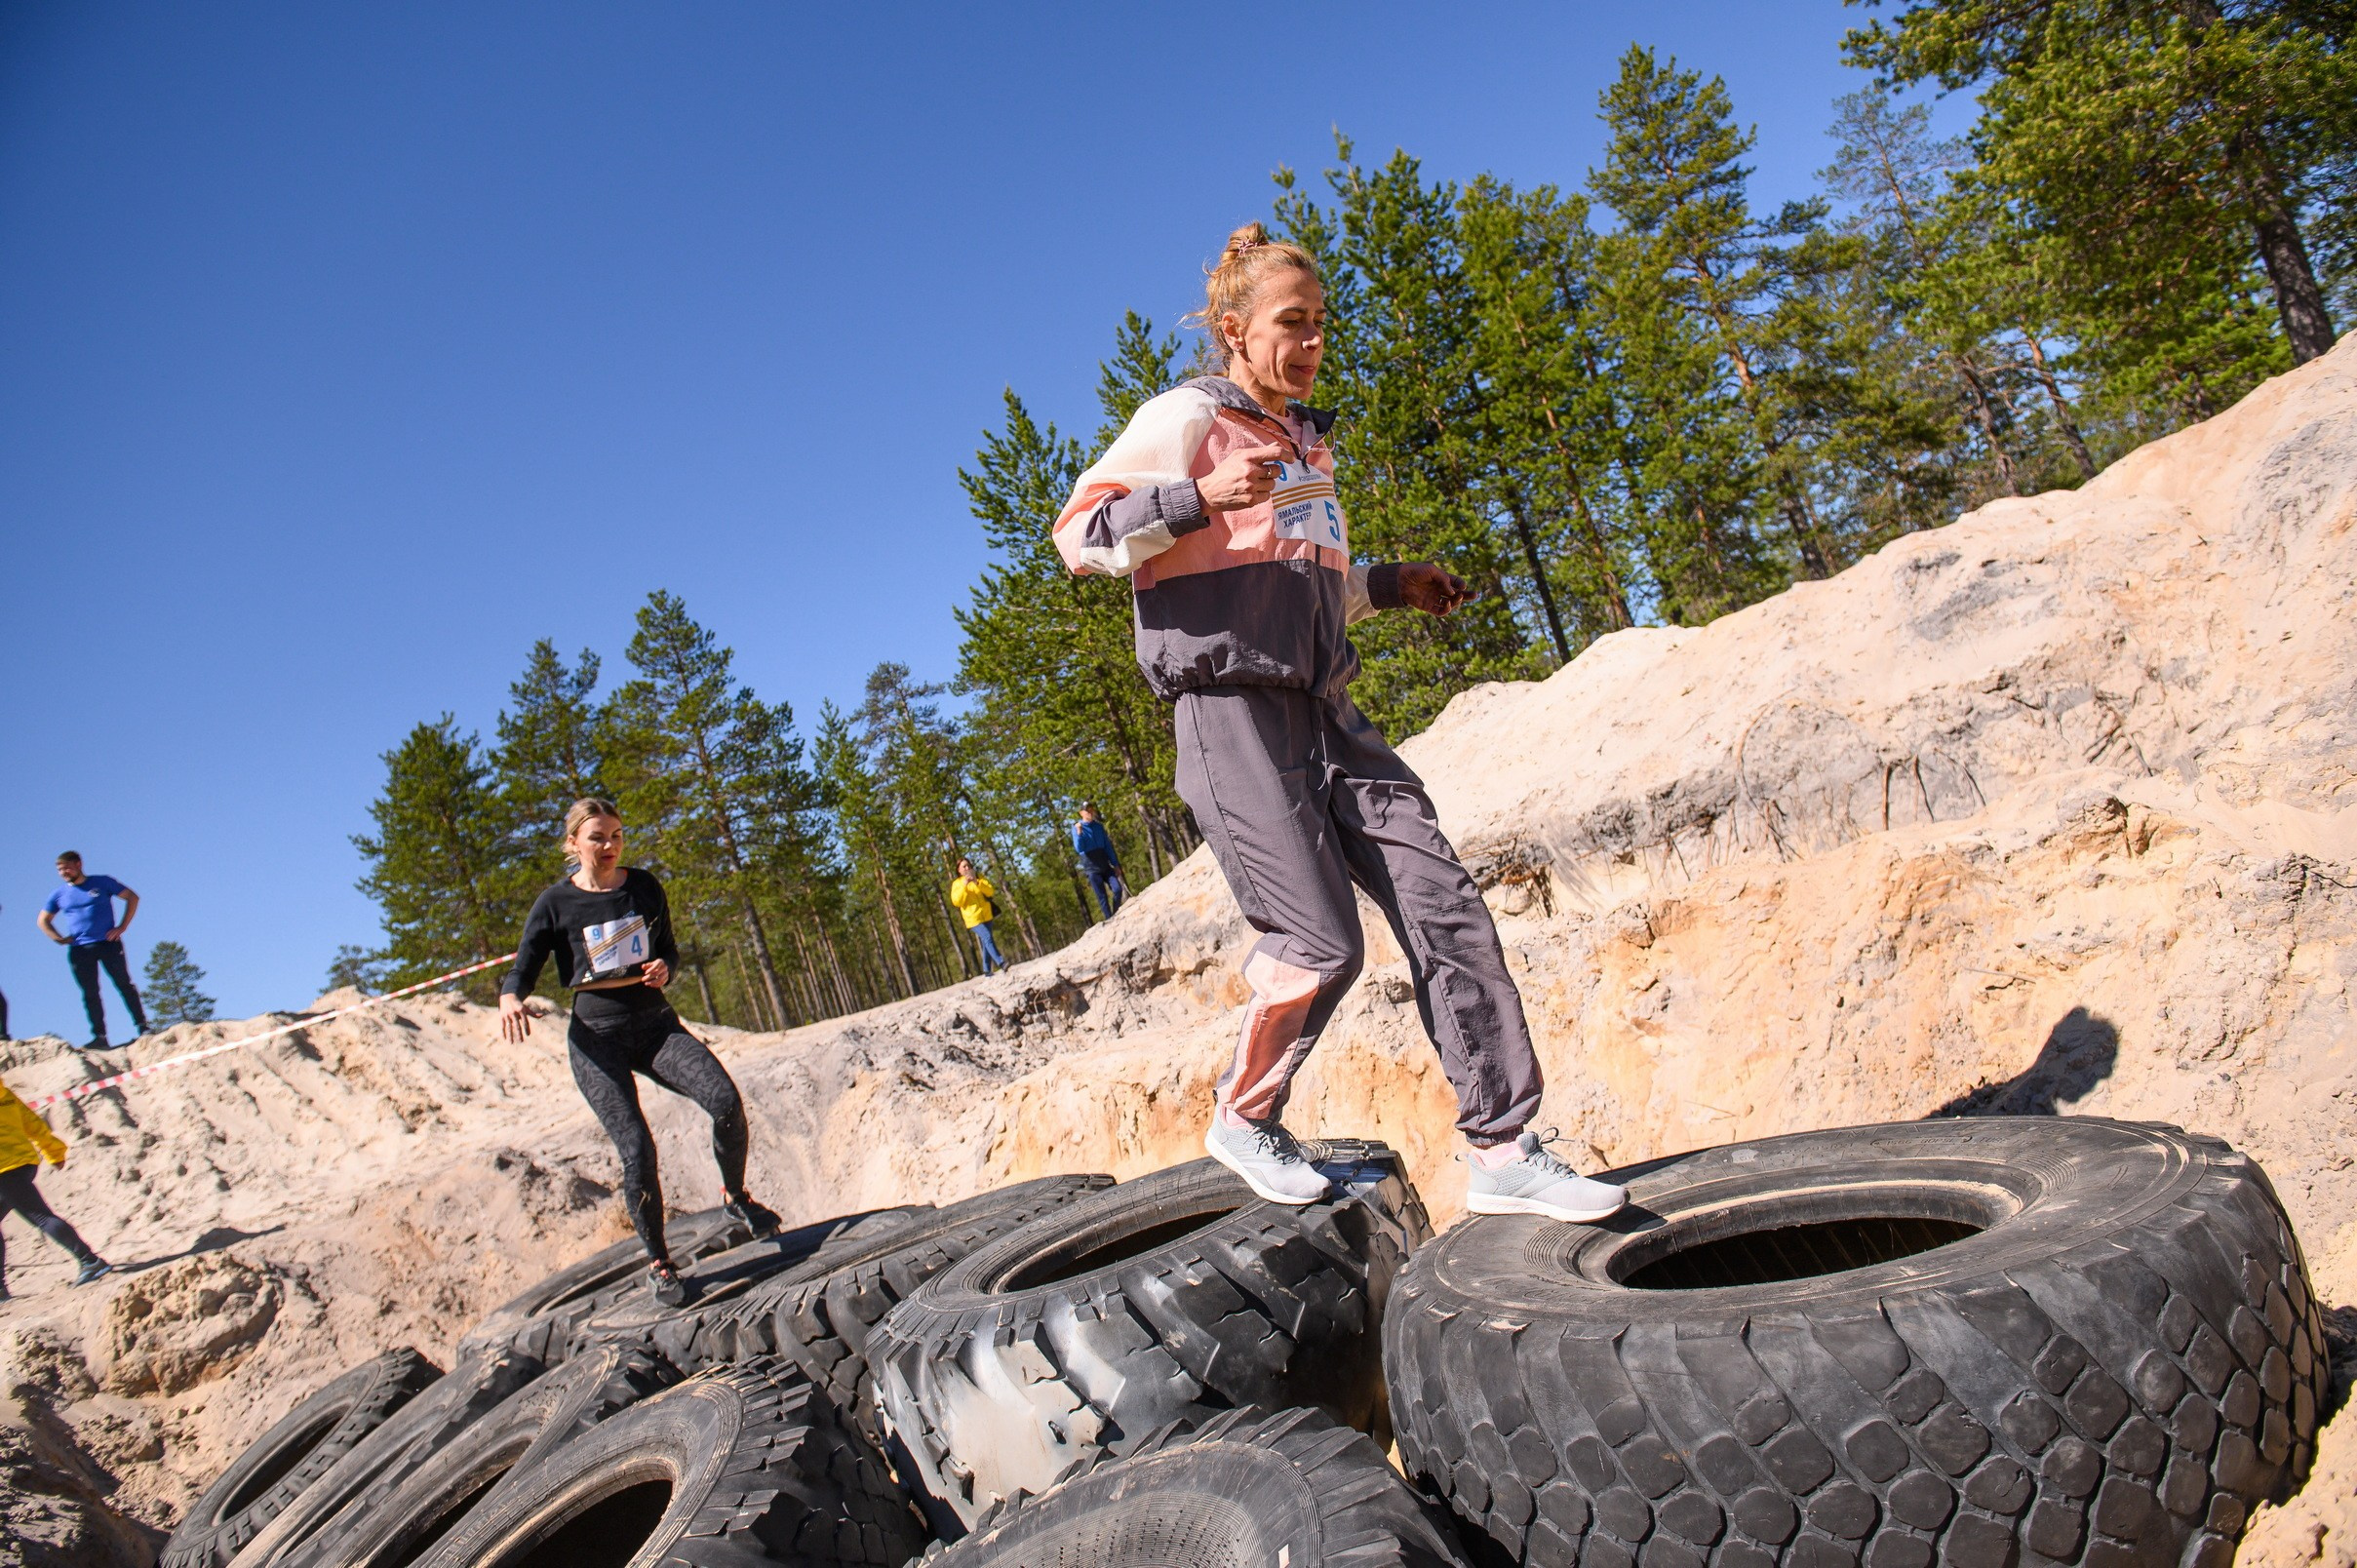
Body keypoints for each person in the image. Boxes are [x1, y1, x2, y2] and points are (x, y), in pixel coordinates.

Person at [1050, 221, 1628, 1223]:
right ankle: (1244, 1118)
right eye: (1291, 323)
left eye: (1320, 322)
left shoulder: (1305, 444)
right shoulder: (1188, 417)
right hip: (1230, 709)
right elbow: (1078, 534)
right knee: (1321, 944)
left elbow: (1303, 585)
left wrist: (1390, 584)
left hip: (1328, 708)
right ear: (1235, 329)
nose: (1311, 341)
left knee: (1444, 907)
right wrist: (1194, 496)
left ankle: (1502, 1149)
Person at [499, 800, 783, 1306]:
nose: (609, 845)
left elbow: (668, 948)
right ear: (573, 843)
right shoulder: (555, 903)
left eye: (616, 835)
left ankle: (735, 1196)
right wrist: (510, 998)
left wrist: (665, 967)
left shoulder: (644, 886)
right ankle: (660, 1263)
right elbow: (525, 965)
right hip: (596, 1041)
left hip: (654, 1026)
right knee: (637, 1149)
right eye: (597, 837)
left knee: (725, 1102)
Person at [0, 1072, 111, 1296]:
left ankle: (90, 1261)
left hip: (5, 1170)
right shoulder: (4, 1093)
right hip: (24, 1164)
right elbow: (32, 1122)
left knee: (41, 1217)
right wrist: (53, 1151)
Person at [37, 853, 149, 1050]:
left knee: (124, 984)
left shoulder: (102, 882)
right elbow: (42, 920)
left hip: (108, 943)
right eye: (60, 870)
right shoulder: (59, 894)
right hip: (80, 949)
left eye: (67, 867)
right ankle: (100, 1037)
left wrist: (122, 926)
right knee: (90, 993)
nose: (63, 872)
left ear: (78, 864)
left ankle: (143, 1026)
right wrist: (58, 938)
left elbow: (132, 897)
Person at [948, 857, 1006, 974]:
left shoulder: (979, 877)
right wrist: (964, 886)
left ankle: (986, 970)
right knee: (987, 938)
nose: (967, 868)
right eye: (964, 866)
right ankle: (1001, 962)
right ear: (959, 870)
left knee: (986, 942)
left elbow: (990, 891)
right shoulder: (957, 884)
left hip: (986, 915)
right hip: (973, 918)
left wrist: (977, 882)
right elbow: (957, 902)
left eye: (968, 865)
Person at [1072, 805, 1126, 920]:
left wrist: (1115, 864)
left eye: (1091, 810)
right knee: (1102, 897)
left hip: (1104, 864)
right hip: (1091, 867)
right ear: (1081, 813)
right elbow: (1079, 848)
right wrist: (1079, 832)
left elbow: (1108, 846)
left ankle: (1116, 913)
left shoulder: (1098, 827)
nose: (1090, 812)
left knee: (1117, 889)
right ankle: (1109, 919)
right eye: (1087, 811)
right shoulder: (1077, 828)